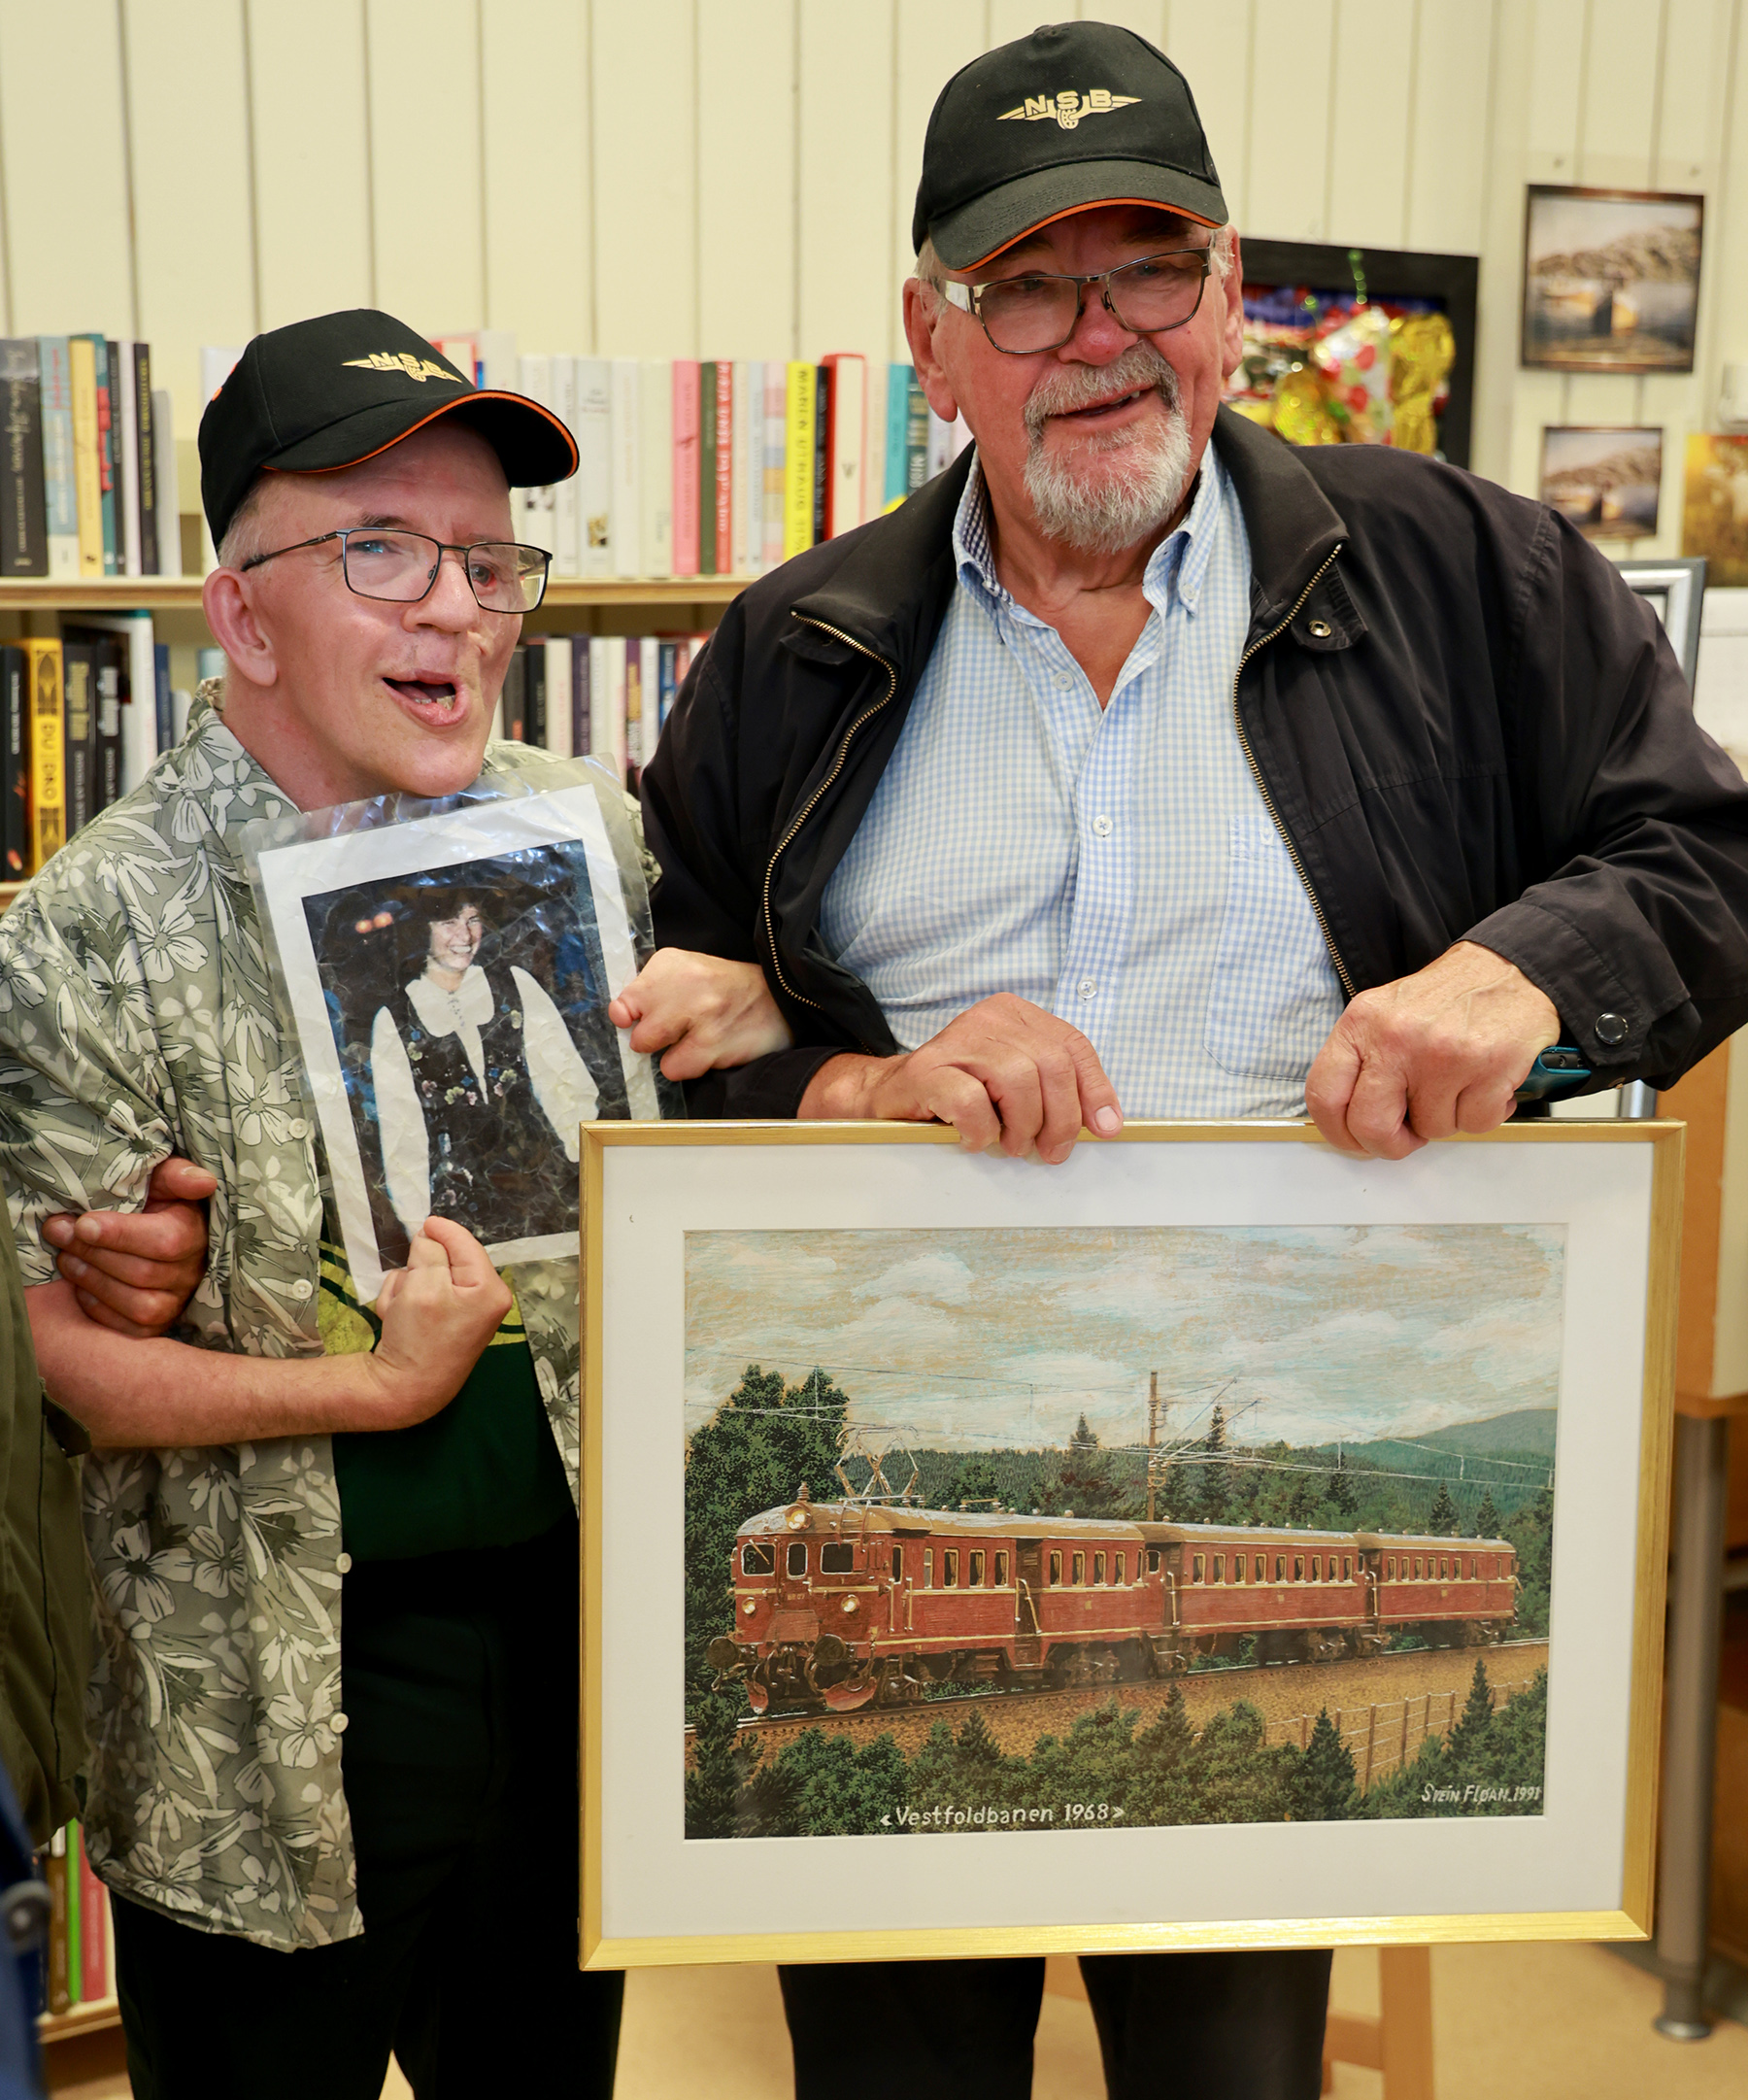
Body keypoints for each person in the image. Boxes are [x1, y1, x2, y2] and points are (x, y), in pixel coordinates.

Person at [636, 20, 1748, 2100]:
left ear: (1231, 296)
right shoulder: (787, 660)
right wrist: (848, 1091)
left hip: (1239, 1780)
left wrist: (1524, 973)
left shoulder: (1469, 580)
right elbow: (661, 1063)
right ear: (931, 337)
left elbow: (1709, 854)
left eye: (1149, 266)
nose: (1099, 334)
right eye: (1029, 285)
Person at [0, 309, 642, 2100]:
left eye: (486, 554)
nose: (458, 602)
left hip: (563, 1667)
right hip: (262, 1712)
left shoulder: (585, 842)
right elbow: (76, 1369)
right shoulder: (89, 927)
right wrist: (370, 1386)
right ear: (241, 611)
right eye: (381, 548)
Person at [366, 882, 605, 1245]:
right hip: (458, 1201)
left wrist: (583, 1159)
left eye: (473, 920)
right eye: (449, 922)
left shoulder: (515, 984)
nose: (465, 935)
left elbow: (564, 1076)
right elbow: (401, 1131)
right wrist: (416, 1223)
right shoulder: (395, 1020)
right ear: (421, 930)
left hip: (541, 1183)